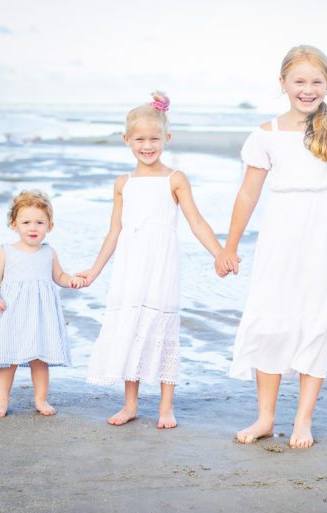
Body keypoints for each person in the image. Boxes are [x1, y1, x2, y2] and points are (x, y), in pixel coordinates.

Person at [214, 46, 327, 448]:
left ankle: (303, 420)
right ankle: (265, 418)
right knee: (270, 318)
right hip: (279, 233)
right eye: (299, 81)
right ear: (283, 84)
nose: (308, 89)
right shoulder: (266, 134)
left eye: (316, 81)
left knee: (315, 320)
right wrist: (230, 247)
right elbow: (248, 194)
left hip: (323, 233)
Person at [77, 92, 224, 429]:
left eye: (154, 138)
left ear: (166, 139)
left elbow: (196, 221)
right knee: (132, 329)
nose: (147, 145)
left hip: (160, 269)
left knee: (161, 328)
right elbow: (114, 232)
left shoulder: (174, 179)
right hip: (129, 269)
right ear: (127, 140)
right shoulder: (123, 183)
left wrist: (220, 253)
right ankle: (130, 405)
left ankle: (165, 407)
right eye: (140, 139)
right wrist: (95, 271)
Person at [0, 190, 85, 417]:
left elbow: (59, 276)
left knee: (40, 359)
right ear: (14, 224)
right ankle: (1, 402)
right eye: (26, 222)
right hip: (11, 314)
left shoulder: (49, 252)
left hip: (39, 317)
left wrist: (71, 281)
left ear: (50, 226)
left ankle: (41, 400)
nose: (33, 228)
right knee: (7, 360)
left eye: (39, 222)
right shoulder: (6, 251)